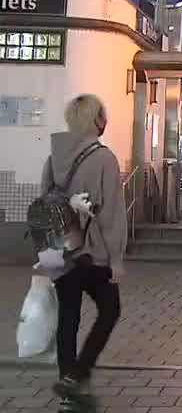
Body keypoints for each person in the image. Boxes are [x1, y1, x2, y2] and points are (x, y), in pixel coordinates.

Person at [44, 95, 127, 411]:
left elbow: (46, 201)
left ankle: (68, 393)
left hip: (61, 252)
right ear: (96, 120)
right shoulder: (104, 158)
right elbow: (110, 215)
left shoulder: (55, 157)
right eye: (103, 115)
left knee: (68, 318)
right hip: (91, 254)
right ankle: (77, 375)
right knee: (110, 310)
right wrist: (116, 259)